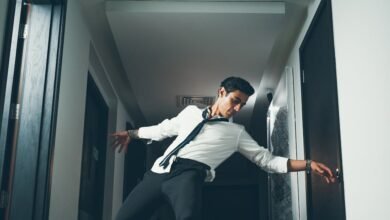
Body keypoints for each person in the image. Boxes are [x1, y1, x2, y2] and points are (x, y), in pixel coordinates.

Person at [111, 76, 335, 220]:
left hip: (188, 176)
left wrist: (308, 164)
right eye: (235, 100)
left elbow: (268, 161)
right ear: (221, 93)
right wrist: (131, 134)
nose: (237, 108)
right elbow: (162, 129)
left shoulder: (236, 133)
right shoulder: (190, 113)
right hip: (157, 173)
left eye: (242, 105)